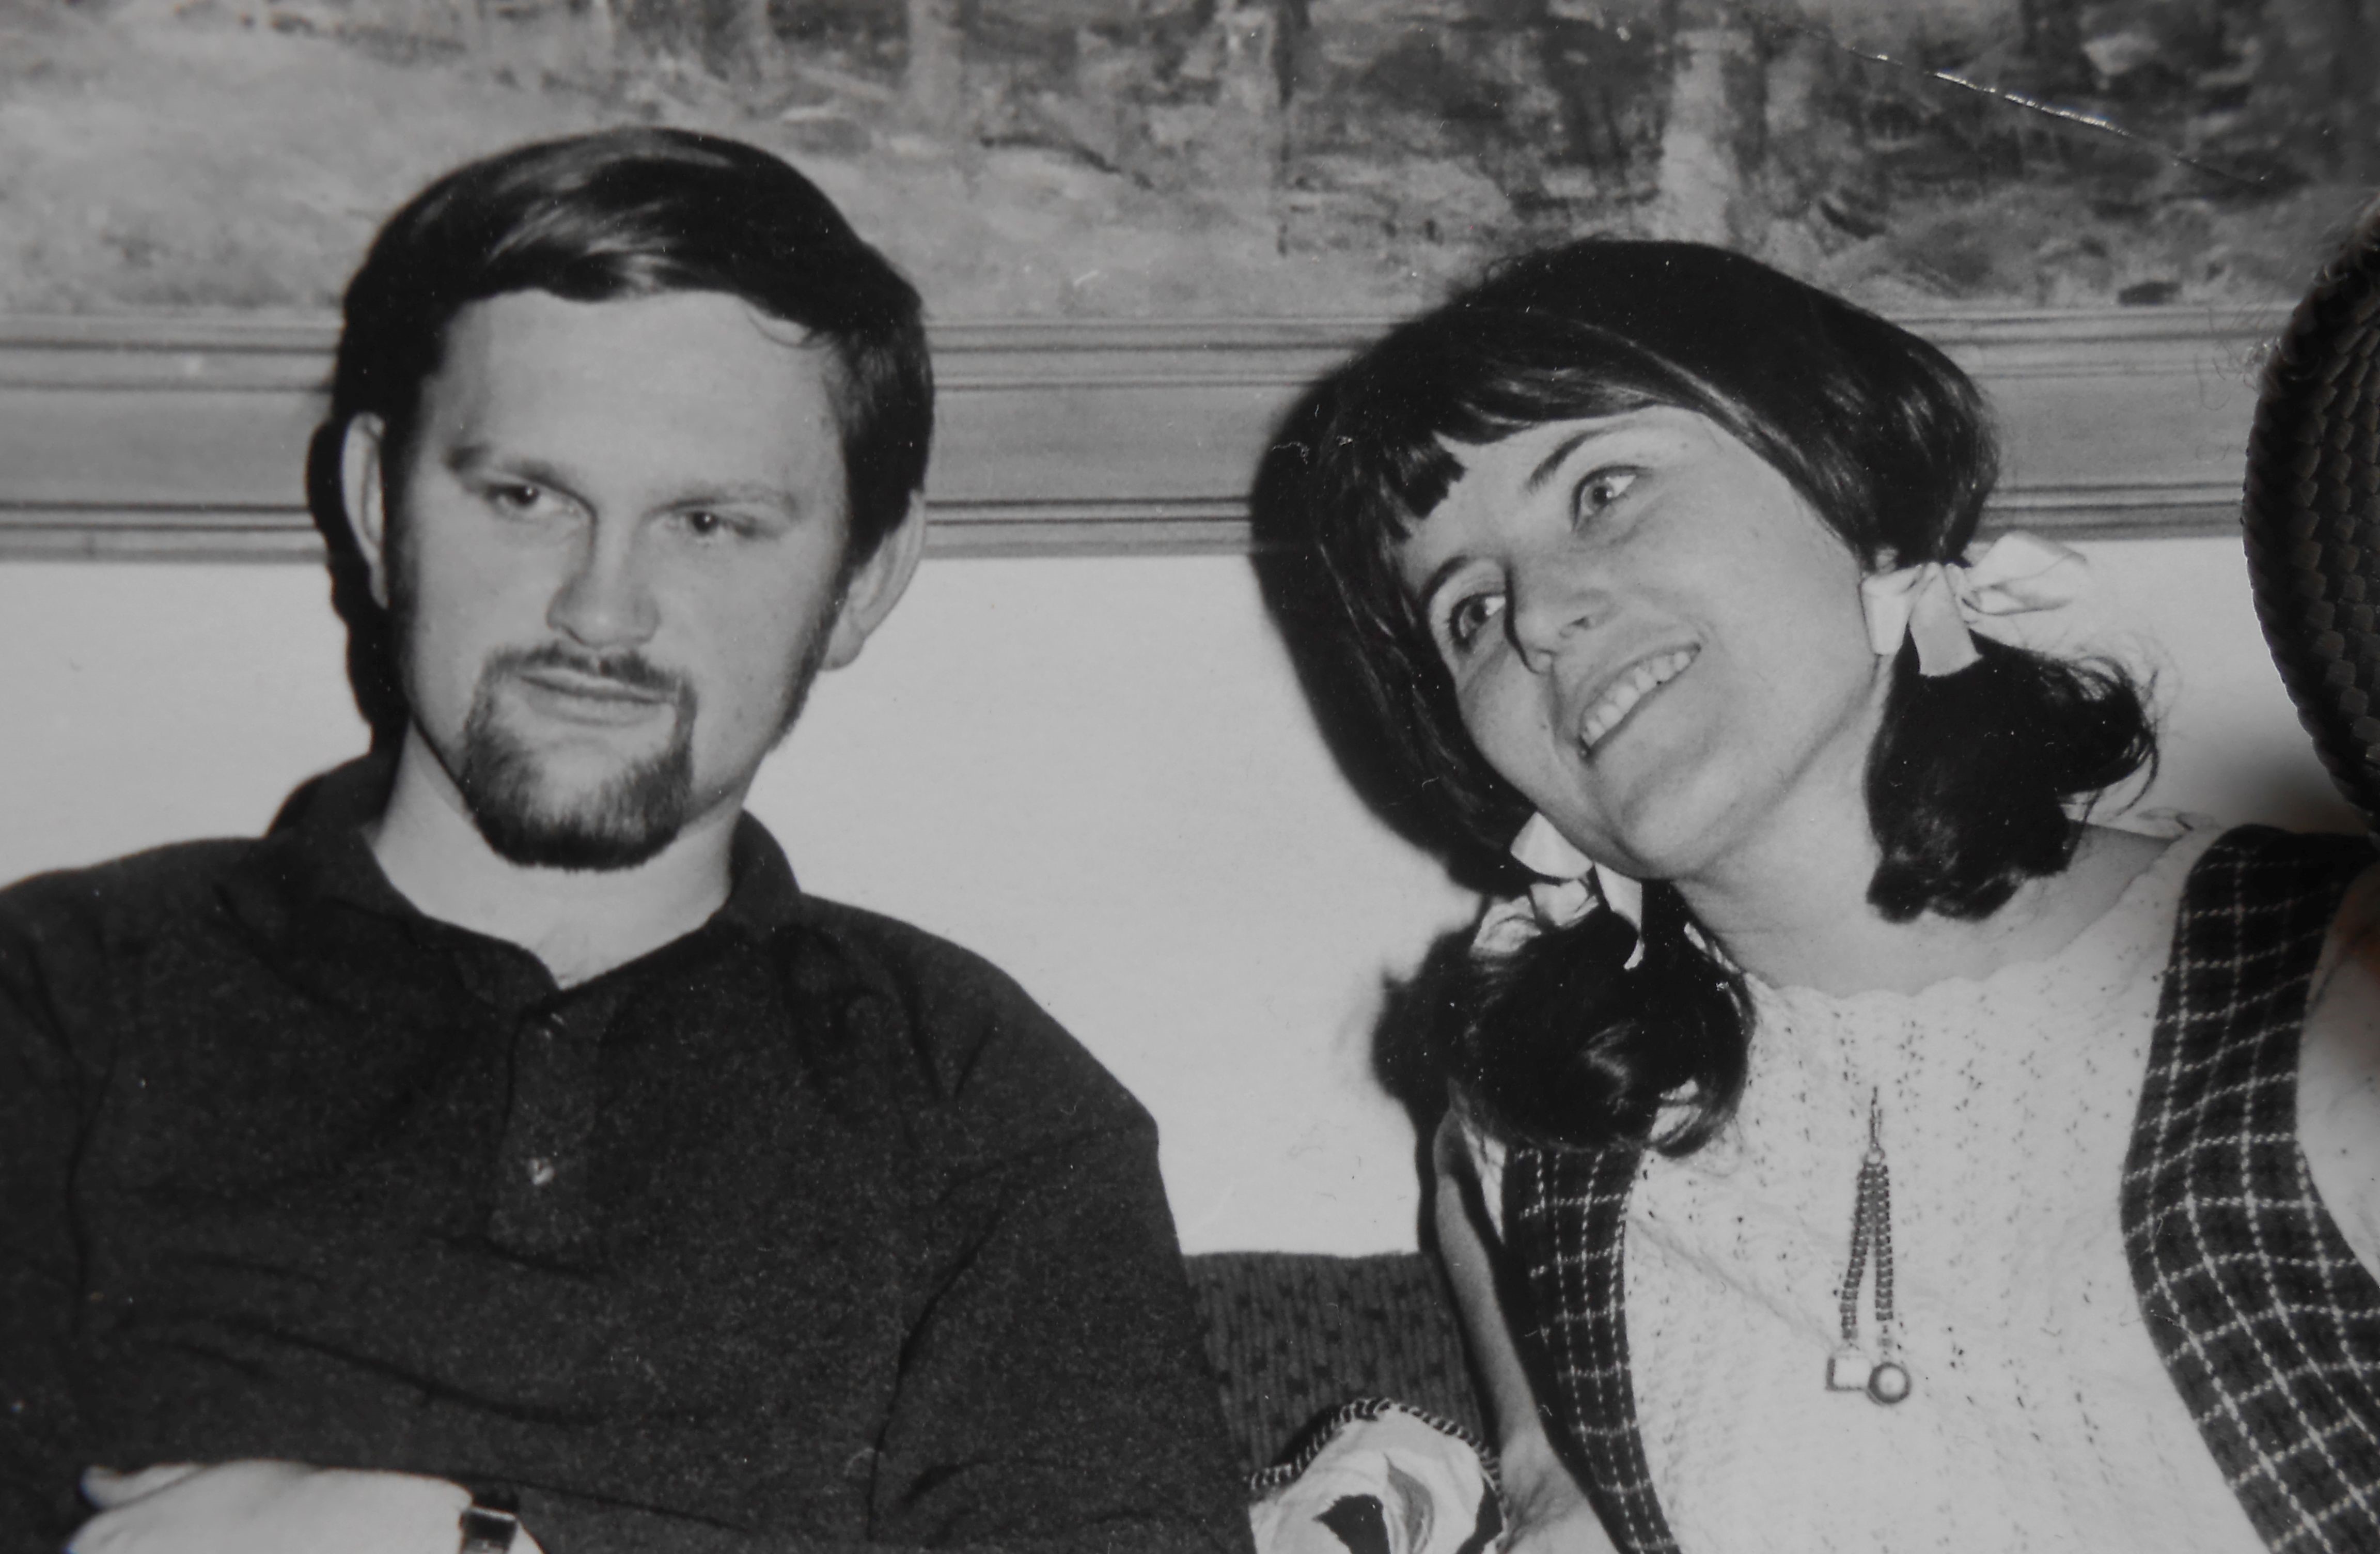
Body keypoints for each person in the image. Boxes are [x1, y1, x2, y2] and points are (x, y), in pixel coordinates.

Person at [0, 128, 1251, 1554]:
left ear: (863, 580)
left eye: (710, 522)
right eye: (527, 497)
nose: (601, 611)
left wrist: (472, 1543)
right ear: (377, 505)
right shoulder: (61, 997)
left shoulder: (978, 1094)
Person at [1252, 240, 2380, 1553]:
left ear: (1853, 478)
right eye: (1469, 612)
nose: (1539, 617)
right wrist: (1543, 1470)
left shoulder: (2326, 986)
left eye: (1603, 490)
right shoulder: (1565, 1136)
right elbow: (1465, 1165)